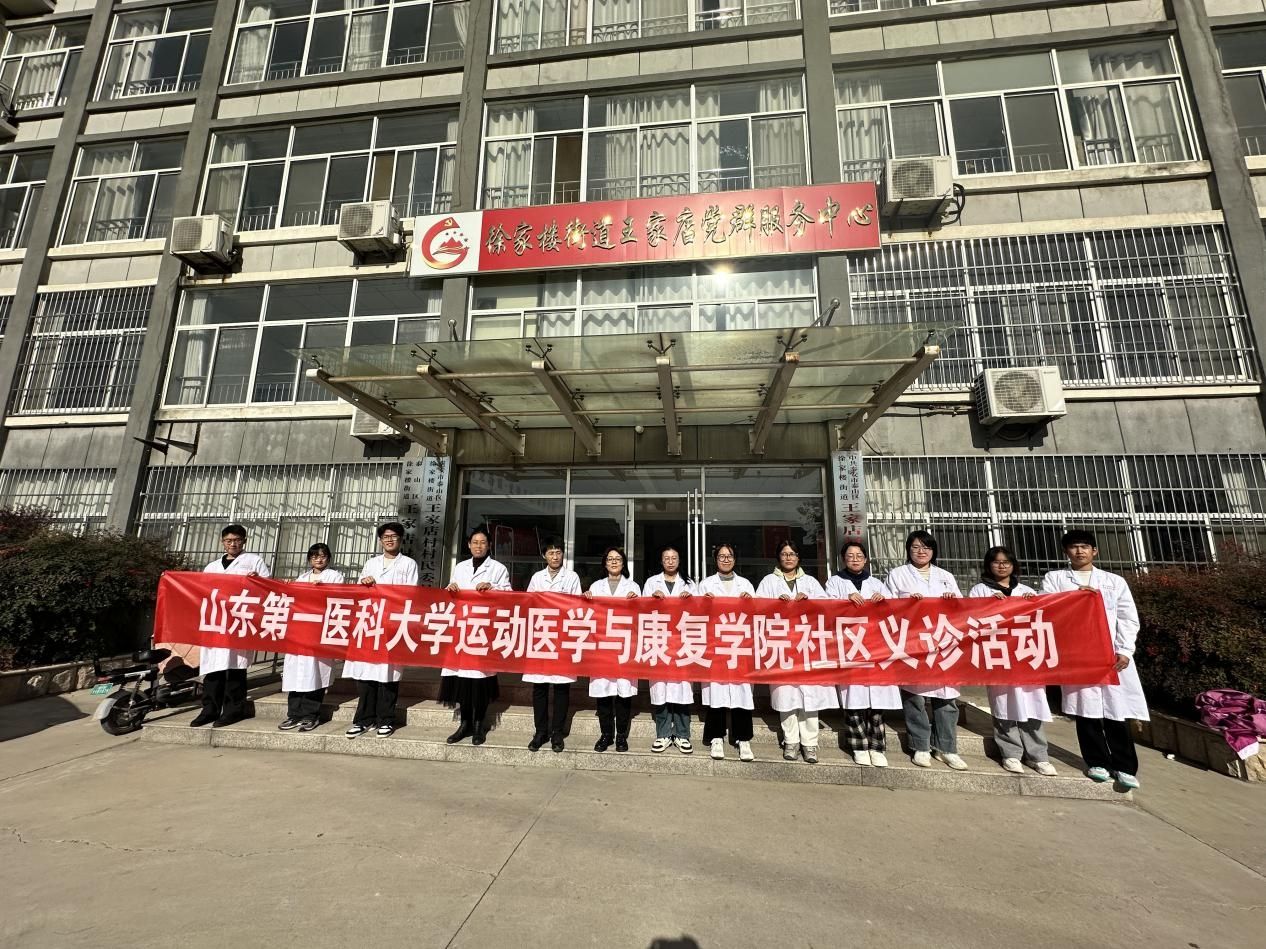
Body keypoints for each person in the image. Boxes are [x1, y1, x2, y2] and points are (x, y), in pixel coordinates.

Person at [1041, 530, 1148, 790]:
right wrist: (1075, 598)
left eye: (1084, 547)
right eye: (1074, 547)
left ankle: (1125, 767)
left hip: (1111, 654)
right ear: (1066, 552)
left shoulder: (1114, 581)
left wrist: (1125, 650)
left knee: (1116, 712)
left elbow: (1128, 618)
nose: (1079, 551)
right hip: (1078, 654)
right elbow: (1047, 608)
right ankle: (1096, 761)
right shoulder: (1055, 579)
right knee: (1086, 711)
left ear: (1094, 551)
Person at [969, 546, 1058, 777]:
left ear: (1013, 565)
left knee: (1033, 703)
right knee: (1003, 704)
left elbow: (1043, 618)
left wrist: (1033, 603)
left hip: (1025, 654)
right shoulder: (980, 590)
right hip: (998, 654)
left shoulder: (1026, 590)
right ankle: (1011, 753)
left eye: (1006, 562)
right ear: (988, 565)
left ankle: (1038, 755)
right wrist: (988, 604)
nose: (1001, 566)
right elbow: (971, 619)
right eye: (996, 562)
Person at [886, 530, 968, 771]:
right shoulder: (897, 575)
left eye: (926, 547)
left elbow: (962, 608)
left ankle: (946, 748)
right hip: (914, 642)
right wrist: (906, 604)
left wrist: (953, 601)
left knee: (947, 698)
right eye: (916, 547)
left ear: (933, 551)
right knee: (915, 698)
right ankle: (920, 745)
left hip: (942, 643)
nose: (921, 552)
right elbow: (887, 608)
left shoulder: (945, 576)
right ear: (908, 550)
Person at [755, 539, 838, 764]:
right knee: (786, 695)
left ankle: (810, 743)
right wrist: (775, 603)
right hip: (782, 645)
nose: (788, 558)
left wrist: (809, 601)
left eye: (792, 554)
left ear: (798, 557)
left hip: (807, 645)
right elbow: (757, 608)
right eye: (784, 554)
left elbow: (826, 607)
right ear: (778, 557)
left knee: (811, 695)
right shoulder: (769, 581)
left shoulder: (810, 582)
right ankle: (790, 740)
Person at [824, 540, 899, 768]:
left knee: (877, 700)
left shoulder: (877, 584)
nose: (855, 559)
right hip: (849, 647)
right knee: (853, 698)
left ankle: (877, 746)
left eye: (859, 556)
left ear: (866, 559)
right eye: (850, 556)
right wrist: (843, 602)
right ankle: (858, 745)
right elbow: (826, 609)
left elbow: (894, 611)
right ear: (843, 559)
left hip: (875, 647)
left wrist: (883, 602)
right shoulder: (834, 582)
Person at [191, 525, 271, 728]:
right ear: (222, 542)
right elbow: (201, 591)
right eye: (228, 540)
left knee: (235, 668)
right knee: (212, 668)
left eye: (237, 540)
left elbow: (267, 589)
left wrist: (257, 581)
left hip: (238, 622)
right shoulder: (212, 567)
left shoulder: (254, 561)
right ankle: (209, 710)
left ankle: (233, 710)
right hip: (216, 623)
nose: (233, 544)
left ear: (244, 541)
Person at [345, 522, 417, 739]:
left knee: (388, 675)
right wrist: (365, 582)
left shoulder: (409, 564)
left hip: (392, 625)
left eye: (394, 536)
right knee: (366, 674)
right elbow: (360, 591)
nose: (389, 540)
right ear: (380, 540)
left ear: (400, 539)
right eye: (386, 537)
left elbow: (411, 594)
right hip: (370, 624)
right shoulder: (371, 563)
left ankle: (385, 720)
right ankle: (363, 720)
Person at [443, 526, 511, 746]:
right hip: (462, 629)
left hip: (484, 630)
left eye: (483, 542)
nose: (478, 546)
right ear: (468, 545)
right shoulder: (460, 567)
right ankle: (465, 723)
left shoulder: (498, 569)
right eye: (475, 542)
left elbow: (509, 596)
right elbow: (452, 593)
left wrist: (493, 587)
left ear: (489, 545)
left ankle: (480, 724)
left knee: (480, 680)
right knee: (463, 679)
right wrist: (451, 588)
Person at [697, 543, 756, 762]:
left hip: (740, 646)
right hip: (716, 645)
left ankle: (743, 738)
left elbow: (758, 614)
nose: (725, 559)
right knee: (717, 692)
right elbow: (695, 615)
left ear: (735, 559)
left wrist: (750, 603)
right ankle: (716, 737)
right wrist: (704, 604)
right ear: (715, 560)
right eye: (721, 556)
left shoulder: (746, 584)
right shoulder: (705, 585)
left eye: (729, 556)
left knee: (742, 692)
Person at [524, 537, 581, 753]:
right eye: (551, 553)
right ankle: (540, 731)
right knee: (539, 686)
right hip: (541, 635)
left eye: (558, 552)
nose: (555, 557)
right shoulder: (537, 577)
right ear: (544, 556)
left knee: (561, 687)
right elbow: (529, 602)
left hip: (563, 636)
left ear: (563, 555)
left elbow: (577, 605)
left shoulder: (572, 577)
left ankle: (557, 732)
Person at [279, 543, 344, 732]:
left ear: (328, 558)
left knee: (315, 674)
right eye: (315, 556)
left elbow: (338, 598)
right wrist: (289, 587)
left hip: (318, 631)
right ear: (309, 559)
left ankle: (310, 715)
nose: (319, 559)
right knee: (294, 674)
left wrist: (321, 589)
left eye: (323, 556)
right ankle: (293, 714)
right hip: (300, 631)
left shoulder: (334, 576)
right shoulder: (302, 578)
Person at [584, 546, 640, 753]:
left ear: (623, 563)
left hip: (624, 646)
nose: (614, 562)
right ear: (605, 563)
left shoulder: (633, 587)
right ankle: (606, 734)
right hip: (602, 647)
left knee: (623, 693)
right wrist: (586, 599)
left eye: (618, 559)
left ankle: (621, 736)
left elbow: (641, 616)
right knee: (604, 693)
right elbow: (588, 615)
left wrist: (636, 602)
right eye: (610, 559)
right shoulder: (596, 586)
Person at [643, 545, 697, 754]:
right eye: (667, 558)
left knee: (682, 689)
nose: (671, 561)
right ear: (661, 561)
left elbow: (700, 612)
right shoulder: (651, 583)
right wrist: (651, 600)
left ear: (679, 561)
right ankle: (663, 734)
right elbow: (641, 610)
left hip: (683, 642)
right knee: (661, 689)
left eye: (674, 557)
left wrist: (691, 601)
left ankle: (682, 735)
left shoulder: (690, 585)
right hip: (660, 642)